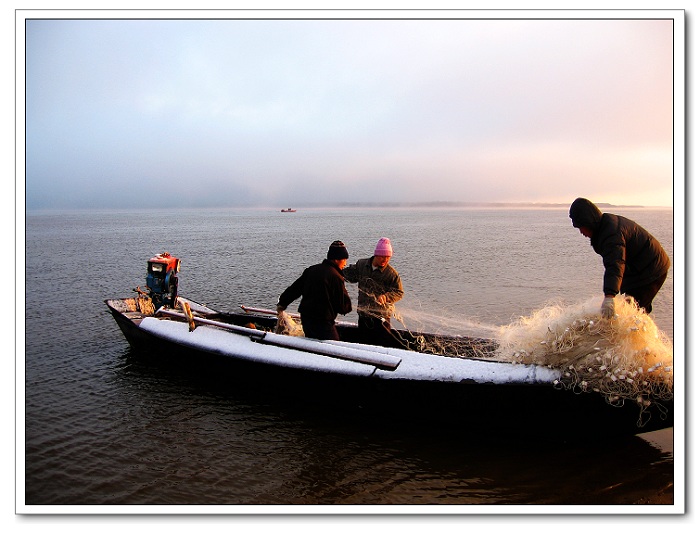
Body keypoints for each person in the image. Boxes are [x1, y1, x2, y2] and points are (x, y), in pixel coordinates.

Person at [568, 197, 670, 318]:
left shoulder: (611, 234)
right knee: (633, 310)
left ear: (588, 221)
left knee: (633, 314)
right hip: (639, 270)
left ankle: (641, 336)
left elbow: (615, 264)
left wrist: (609, 296)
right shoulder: (605, 227)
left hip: (651, 270)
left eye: (581, 227)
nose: (581, 232)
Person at [276, 240, 353, 341]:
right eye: (344, 259)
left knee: (312, 343)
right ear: (337, 259)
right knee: (333, 348)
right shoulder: (336, 276)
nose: (345, 263)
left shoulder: (311, 270)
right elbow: (344, 307)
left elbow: (294, 289)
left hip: (306, 319)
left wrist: (282, 303)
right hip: (324, 322)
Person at [343, 237, 405, 347]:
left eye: (388, 257)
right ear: (376, 254)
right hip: (363, 316)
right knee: (363, 345)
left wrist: (386, 296)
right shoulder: (362, 265)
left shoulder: (391, 274)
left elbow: (399, 292)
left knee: (383, 346)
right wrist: (335, 272)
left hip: (382, 318)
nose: (385, 260)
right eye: (382, 256)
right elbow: (348, 275)